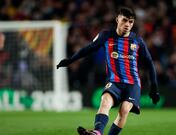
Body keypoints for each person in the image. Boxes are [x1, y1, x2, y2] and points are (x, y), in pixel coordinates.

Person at [57, 7, 160, 135]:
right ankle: (97, 132)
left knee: (124, 110)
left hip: (132, 83)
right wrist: (70, 60)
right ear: (117, 19)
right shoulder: (106, 36)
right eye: (124, 20)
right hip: (114, 80)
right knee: (105, 101)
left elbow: (150, 62)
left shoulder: (137, 41)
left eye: (131, 22)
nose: (127, 24)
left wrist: (154, 87)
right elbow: (88, 49)